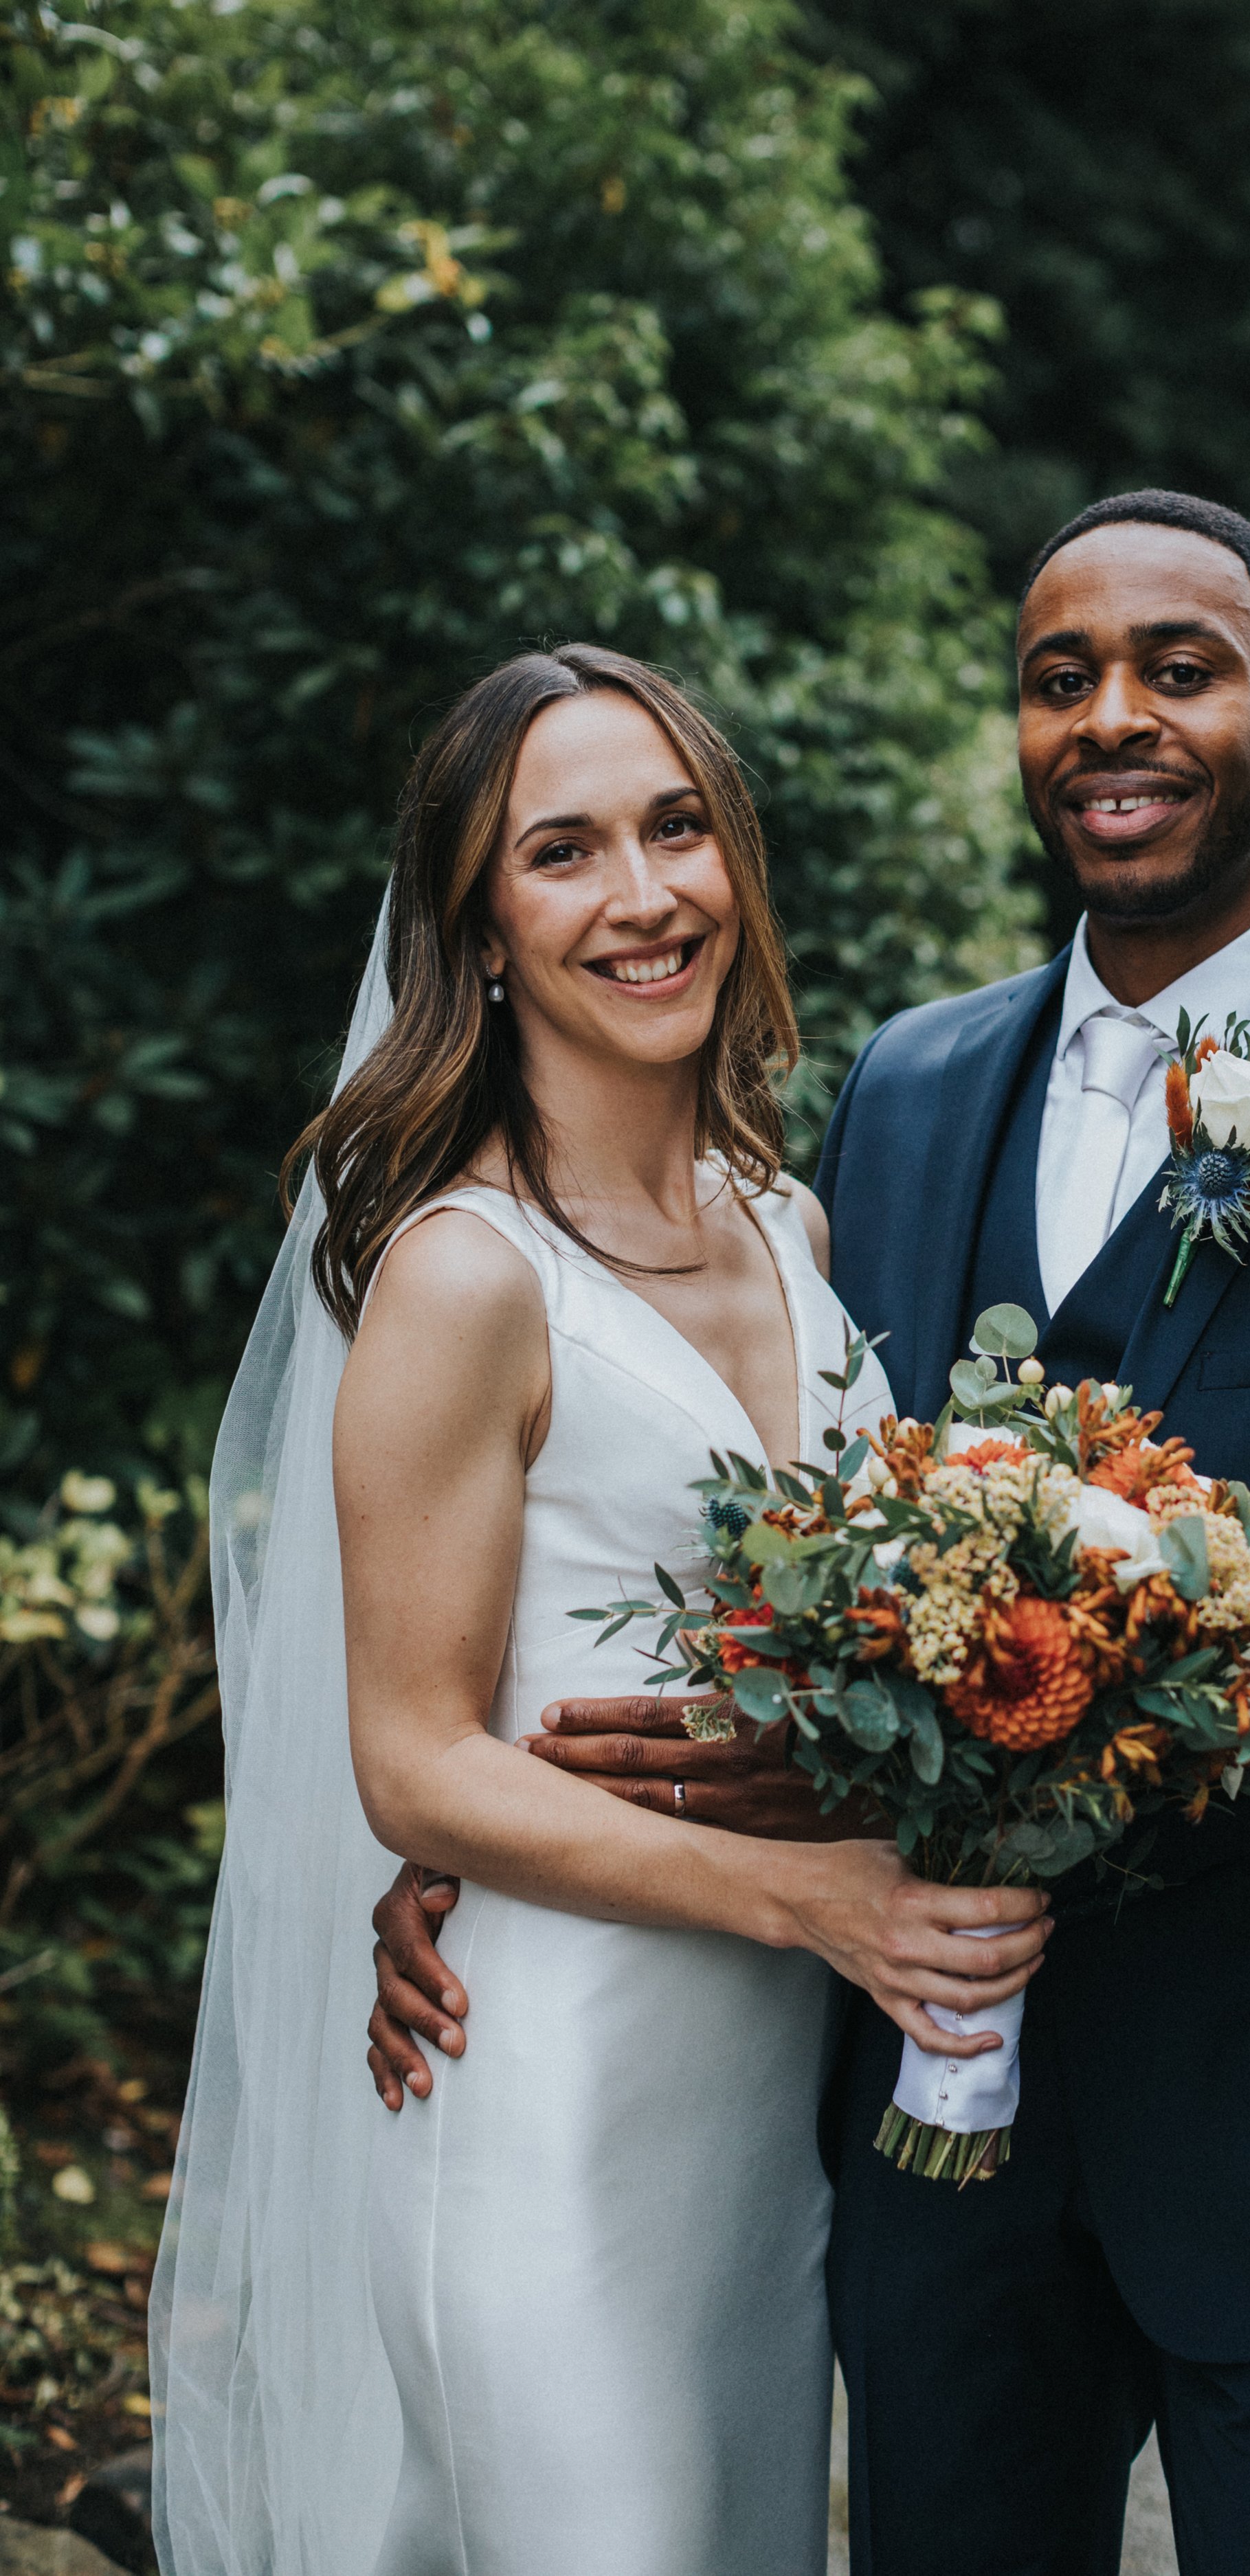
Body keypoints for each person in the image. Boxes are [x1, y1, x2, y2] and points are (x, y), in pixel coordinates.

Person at [366, 497, 1250, 2576]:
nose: (1110, 718)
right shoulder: (905, 1090)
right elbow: (792, 1556)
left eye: (1177, 668)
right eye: (1060, 681)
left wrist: (939, 1765)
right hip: (925, 2135)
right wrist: (491, 1832)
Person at [149, 642, 1049, 2576]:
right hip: (543, 2092)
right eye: (561, 853)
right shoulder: (464, 1279)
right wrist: (814, 1895)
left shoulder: (778, 1216)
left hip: (757, 2103)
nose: (644, 895)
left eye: (675, 827)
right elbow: (415, 1762)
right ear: (477, 934)